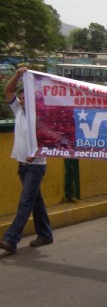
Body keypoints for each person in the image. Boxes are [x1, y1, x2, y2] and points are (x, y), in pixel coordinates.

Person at [0, 67, 53, 255]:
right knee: (35, 201)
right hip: (22, 165)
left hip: (36, 166)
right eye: (20, 98)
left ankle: (11, 239)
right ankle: (45, 234)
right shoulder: (18, 111)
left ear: (32, 99)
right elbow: (8, 91)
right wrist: (17, 75)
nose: (21, 101)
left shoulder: (39, 115)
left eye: (25, 98)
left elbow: (48, 139)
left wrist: (36, 152)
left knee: (25, 202)